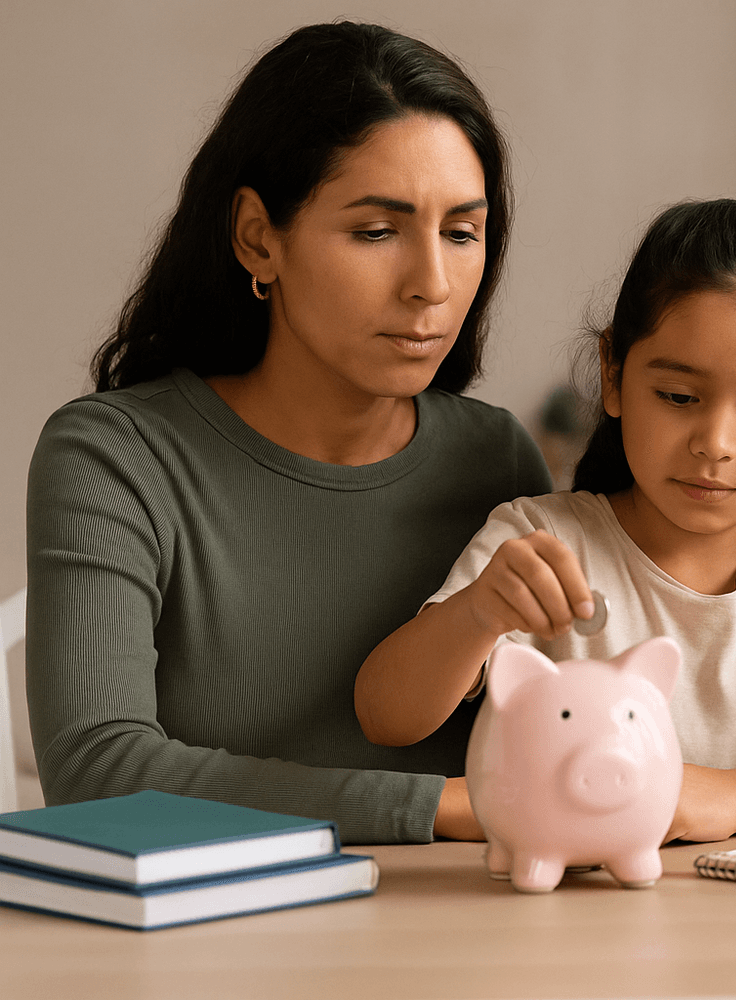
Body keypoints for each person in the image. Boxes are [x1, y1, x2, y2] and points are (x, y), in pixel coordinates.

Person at [26, 23, 552, 844]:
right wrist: (439, 808)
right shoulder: (114, 456)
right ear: (257, 237)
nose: (432, 285)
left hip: (462, 931)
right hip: (210, 949)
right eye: (377, 232)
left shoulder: (496, 459)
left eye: (461, 231)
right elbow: (98, 774)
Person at [356, 199, 736, 843]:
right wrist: (478, 613)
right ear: (612, 373)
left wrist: (724, 798)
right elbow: (386, 716)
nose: (715, 443)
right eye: (678, 397)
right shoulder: (540, 537)